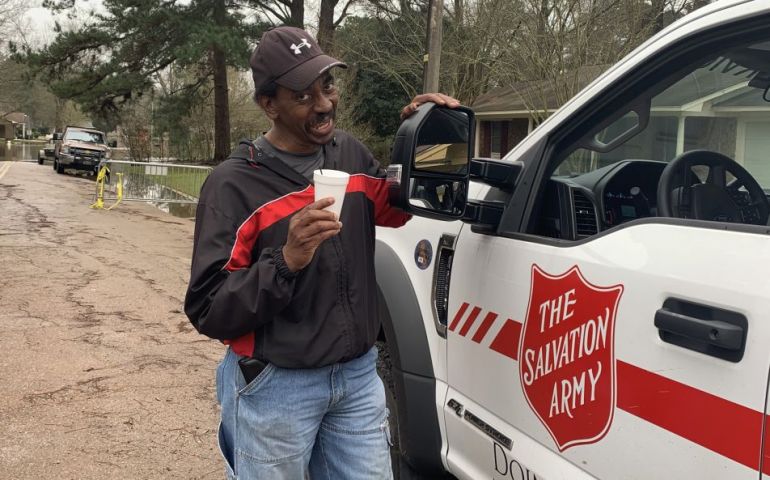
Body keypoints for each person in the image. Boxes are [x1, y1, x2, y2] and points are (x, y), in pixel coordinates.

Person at [184, 26, 459, 480]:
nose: (325, 104)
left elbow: (399, 208)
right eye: (303, 96)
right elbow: (208, 308)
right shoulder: (232, 185)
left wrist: (421, 136)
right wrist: (286, 261)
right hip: (276, 387)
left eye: (327, 86)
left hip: (356, 380)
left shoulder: (348, 153)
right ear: (269, 104)